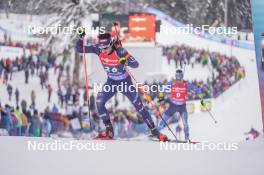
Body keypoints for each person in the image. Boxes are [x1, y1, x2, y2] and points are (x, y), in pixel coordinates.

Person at [76, 30, 168, 141]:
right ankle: (109, 131)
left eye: (105, 48)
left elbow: (136, 64)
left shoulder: (119, 51)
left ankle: (155, 131)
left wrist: (126, 61)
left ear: (111, 45)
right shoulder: (98, 48)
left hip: (125, 83)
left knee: (139, 107)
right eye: (101, 48)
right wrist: (81, 38)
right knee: (99, 103)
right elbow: (80, 49)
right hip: (111, 82)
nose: (103, 51)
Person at [158, 69, 191, 142]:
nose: (178, 80)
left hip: (182, 107)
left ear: (182, 77)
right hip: (172, 106)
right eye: (177, 78)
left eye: (179, 79)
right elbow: (161, 89)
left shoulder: (186, 84)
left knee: (185, 122)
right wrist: (161, 98)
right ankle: (156, 134)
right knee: (163, 120)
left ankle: (187, 138)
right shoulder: (171, 83)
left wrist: (196, 91)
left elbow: (195, 89)